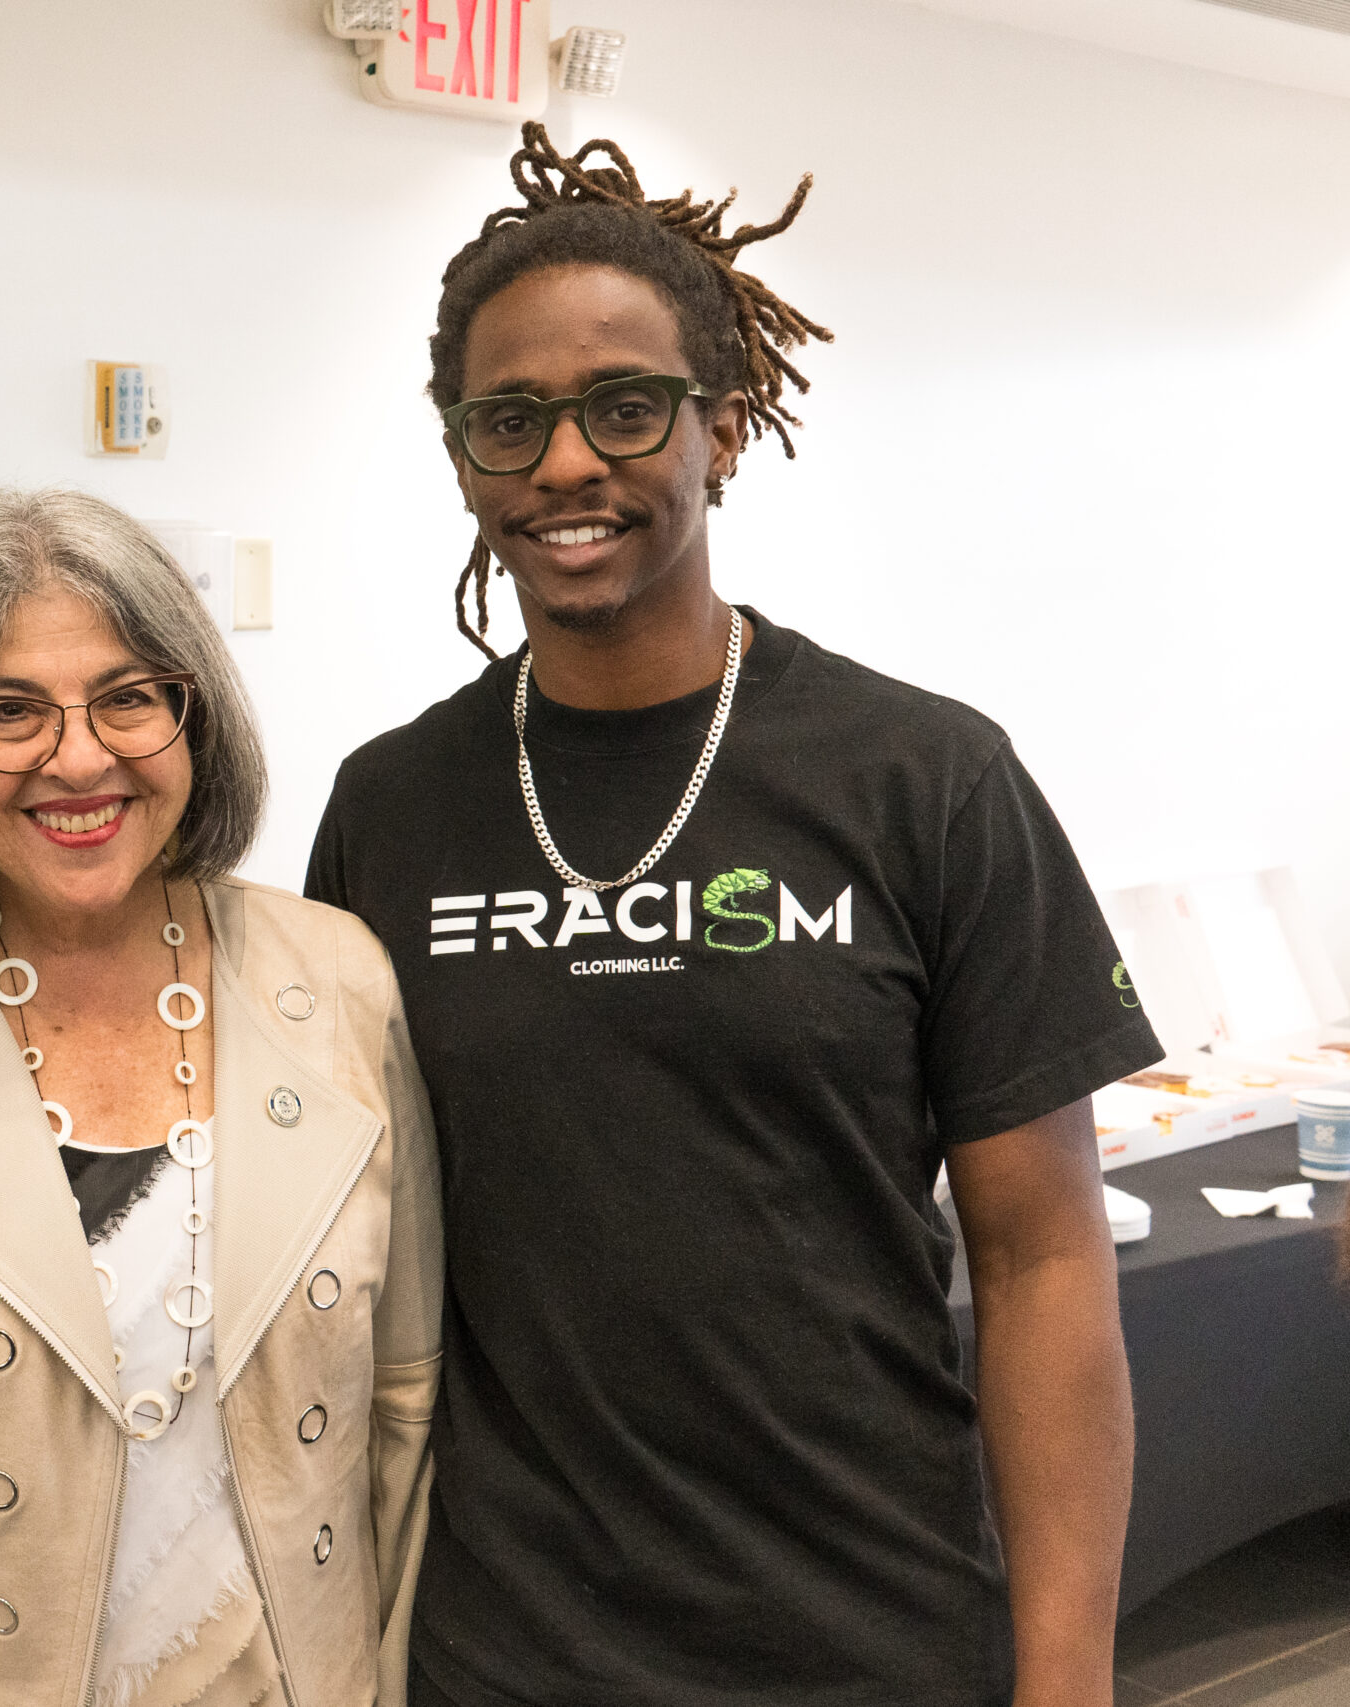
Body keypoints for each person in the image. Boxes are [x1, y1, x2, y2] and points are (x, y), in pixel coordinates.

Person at [305, 126, 1162, 1707]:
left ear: (726, 426)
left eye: (626, 406)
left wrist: (1067, 1676)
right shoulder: (391, 806)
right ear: (463, 457)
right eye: (510, 421)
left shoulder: (926, 777)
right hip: (504, 1648)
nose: (567, 463)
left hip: (866, 1632)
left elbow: (1043, 1254)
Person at [0, 488, 443, 1707]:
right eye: (7, 711)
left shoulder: (337, 982)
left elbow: (409, 1415)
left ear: (192, 715)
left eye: (128, 697)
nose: (80, 757)